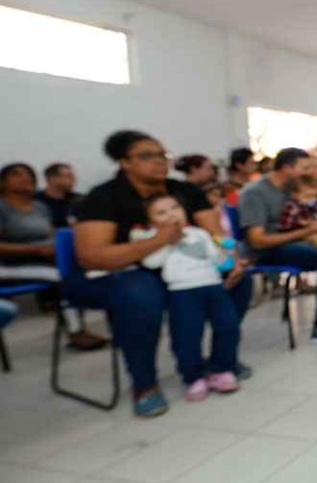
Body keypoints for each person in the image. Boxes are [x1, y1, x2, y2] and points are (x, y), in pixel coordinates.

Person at [68, 130, 254, 418]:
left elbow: (215, 233)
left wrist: (232, 259)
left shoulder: (186, 191)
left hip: (183, 264)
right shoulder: (103, 197)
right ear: (123, 162)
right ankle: (144, 383)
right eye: (147, 156)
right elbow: (91, 256)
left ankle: (220, 362)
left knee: (239, 281)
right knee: (141, 294)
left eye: (162, 155)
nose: (158, 162)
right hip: (124, 271)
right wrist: (158, 240)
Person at [237, 147, 317, 344]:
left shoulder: (294, 189)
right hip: (264, 251)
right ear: (287, 168)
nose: (309, 172)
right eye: (304, 168)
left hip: (294, 242)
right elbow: (257, 240)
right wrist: (306, 232)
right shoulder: (254, 193)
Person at [134, 194, 241, 401]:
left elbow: (215, 258)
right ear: (151, 221)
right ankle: (193, 376)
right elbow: (151, 263)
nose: (172, 214)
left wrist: (227, 256)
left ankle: (221, 369)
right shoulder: (153, 239)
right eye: (161, 212)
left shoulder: (199, 233)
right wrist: (166, 240)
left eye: (175, 207)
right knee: (187, 335)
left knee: (228, 326)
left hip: (213, 286)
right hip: (183, 292)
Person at [1, 162, 108, 350]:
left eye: (29, 174)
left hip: (44, 260)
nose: (25, 178)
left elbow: (51, 236)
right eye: (16, 174)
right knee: (63, 277)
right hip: (10, 265)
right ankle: (76, 333)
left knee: (84, 265)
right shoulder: (2, 207)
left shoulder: (39, 206)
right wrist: (36, 250)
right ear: (3, 182)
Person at [279, 178, 317, 253]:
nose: (312, 200)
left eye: (314, 196)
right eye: (307, 196)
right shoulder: (292, 207)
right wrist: (303, 223)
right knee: (315, 236)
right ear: (295, 195)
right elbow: (285, 225)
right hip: (301, 232)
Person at [35, 162, 83, 229]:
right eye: (69, 176)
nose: (73, 180)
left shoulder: (79, 200)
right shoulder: (35, 201)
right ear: (52, 179)